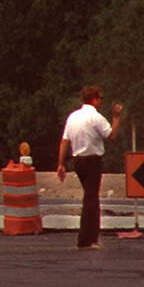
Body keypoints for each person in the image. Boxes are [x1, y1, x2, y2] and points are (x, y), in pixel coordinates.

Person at [57, 86, 122, 250]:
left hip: (78, 161)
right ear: (94, 99)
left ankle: (88, 237)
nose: (101, 101)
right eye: (100, 98)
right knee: (91, 199)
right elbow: (111, 135)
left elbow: (65, 141)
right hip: (93, 160)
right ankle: (87, 239)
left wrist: (61, 164)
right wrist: (116, 117)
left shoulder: (73, 117)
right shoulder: (96, 117)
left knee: (89, 196)